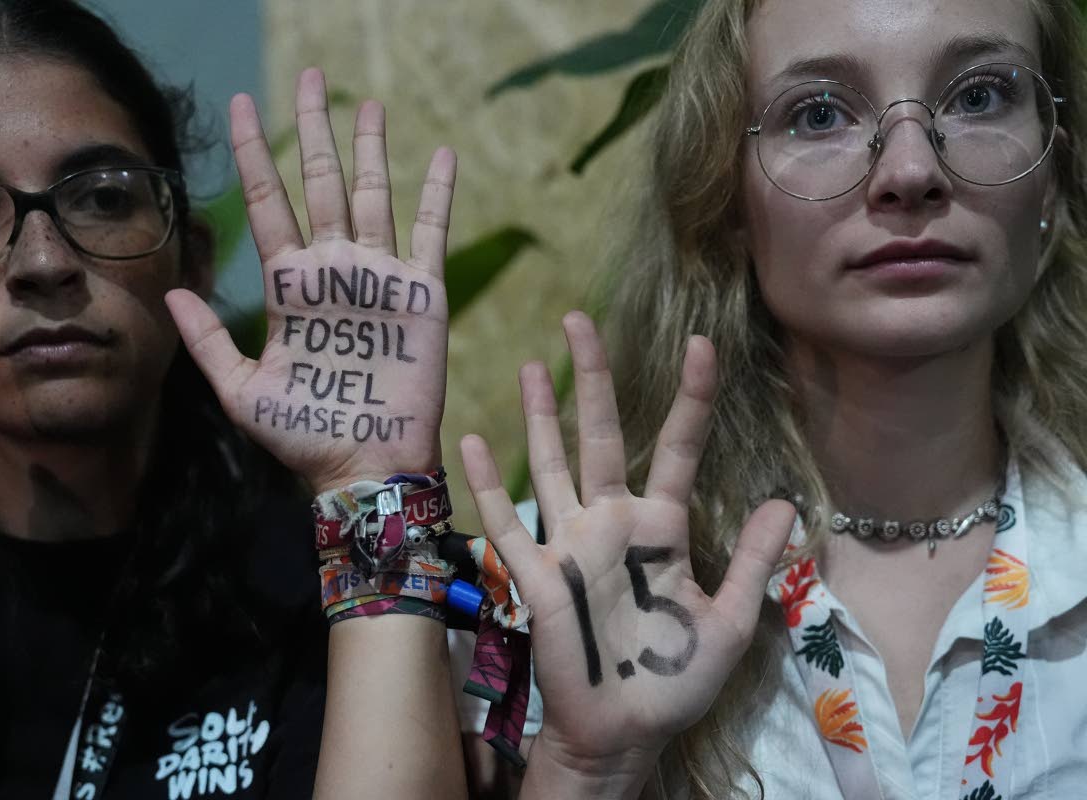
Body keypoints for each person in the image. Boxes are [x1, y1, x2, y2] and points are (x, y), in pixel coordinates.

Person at [462, 0, 1087, 797]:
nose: (910, 173)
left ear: (1051, 174)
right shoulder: (565, 584)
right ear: (729, 204)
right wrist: (588, 770)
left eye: (977, 97)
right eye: (819, 112)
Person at [0, 1, 466, 797]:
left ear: (188, 264)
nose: (44, 261)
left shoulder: (316, 586)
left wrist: (371, 486)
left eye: (101, 196)